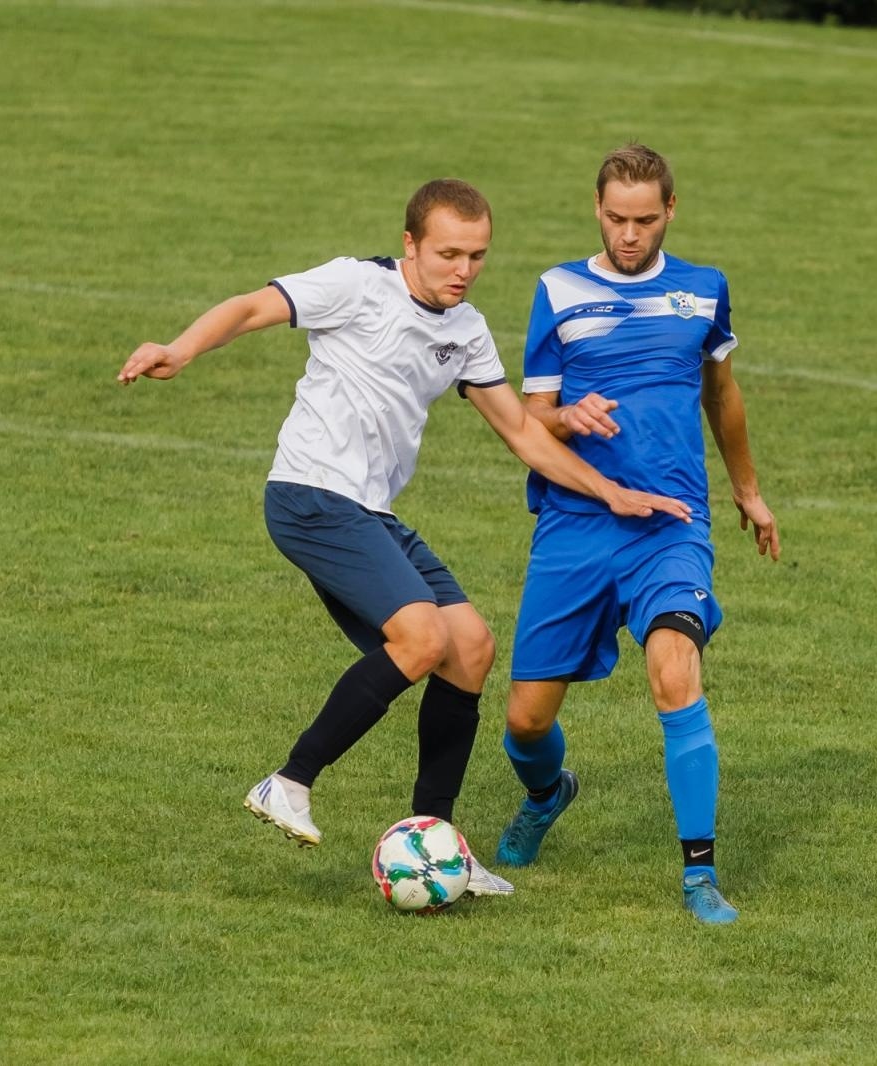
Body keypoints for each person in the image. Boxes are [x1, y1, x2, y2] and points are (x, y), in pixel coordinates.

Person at [116, 179, 691, 898]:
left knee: (471, 648)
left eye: (477, 255)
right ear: (411, 245)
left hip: (372, 511)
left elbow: (519, 429)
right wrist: (182, 347)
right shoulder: (356, 286)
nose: (464, 269)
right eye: (449, 252)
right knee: (421, 640)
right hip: (310, 493)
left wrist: (611, 492)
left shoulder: (466, 329)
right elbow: (252, 307)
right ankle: (289, 781)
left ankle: (437, 839)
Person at [491, 144, 779, 925]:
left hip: (671, 523)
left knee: (674, 671)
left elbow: (723, 397)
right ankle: (550, 793)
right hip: (576, 524)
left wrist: (748, 494)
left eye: (644, 221)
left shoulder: (703, 289)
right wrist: (566, 415)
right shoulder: (557, 289)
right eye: (617, 219)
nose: (629, 235)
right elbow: (526, 415)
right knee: (524, 722)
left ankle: (699, 876)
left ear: (670, 213)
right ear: (597, 210)